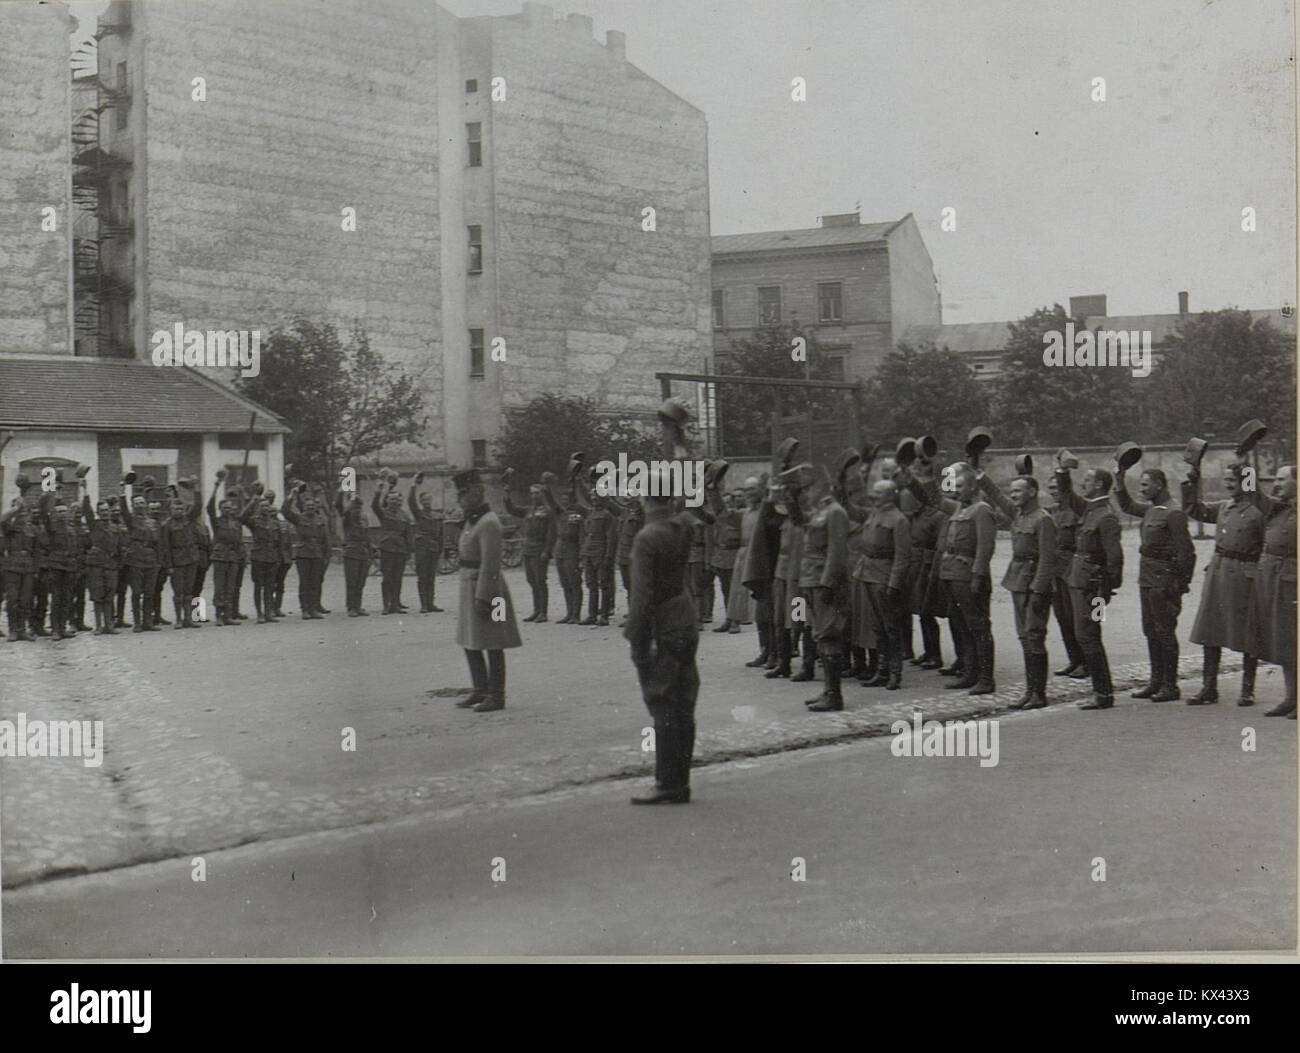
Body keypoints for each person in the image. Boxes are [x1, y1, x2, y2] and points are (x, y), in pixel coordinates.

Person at [625, 468, 700, 804]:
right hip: (685, 617)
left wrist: (636, 639)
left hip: (661, 625)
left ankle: (668, 784)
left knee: (661, 701)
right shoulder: (684, 526)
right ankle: (679, 781)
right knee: (684, 702)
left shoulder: (647, 537)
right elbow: (687, 511)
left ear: (643, 496)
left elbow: (640, 597)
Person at [1182, 461, 1264, 705]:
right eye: (1226, 480)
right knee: (1210, 630)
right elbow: (1194, 509)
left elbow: (1265, 547)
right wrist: (1193, 482)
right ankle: (1209, 688)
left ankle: (1247, 689)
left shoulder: (1258, 512)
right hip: (1218, 571)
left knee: (1248, 632)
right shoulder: (1223, 507)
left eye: (1233, 480)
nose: (1228, 485)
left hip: (1245, 574)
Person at [1115, 464, 1195, 701]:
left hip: (1164, 580)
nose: (1141, 489)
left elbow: (1186, 553)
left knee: (1165, 631)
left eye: (1145, 484)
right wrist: (1119, 480)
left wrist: (1178, 585)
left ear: (1159, 485)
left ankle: (1170, 686)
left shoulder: (1173, 513)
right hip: (1148, 578)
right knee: (1150, 630)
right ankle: (1156, 681)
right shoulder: (1152, 510)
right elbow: (1127, 505)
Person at [979, 470, 1057, 708]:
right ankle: (1030, 691)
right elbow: (997, 498)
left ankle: (1039, 694)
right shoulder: (1019, 515)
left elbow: (1047, 559)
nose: (1012, 495)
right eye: (1011, 491)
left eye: (1018, 491)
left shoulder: (1043, 519)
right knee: (1024, 637)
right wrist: (981, 475)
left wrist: (1038, 591)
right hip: (1018, 581)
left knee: (1034, 636)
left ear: (1032, 492)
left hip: (1034, 585)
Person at [451, 469, 521, 713]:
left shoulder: (489, 522)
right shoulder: (473, 519)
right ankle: (479, 688)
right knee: (471, 639)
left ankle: (496, 694)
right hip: (469, 584)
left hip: (488, 588)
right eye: (459, 493)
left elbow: (491, 563)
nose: (459, 498)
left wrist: (484, 596)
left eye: (464, 493)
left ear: (477, 492)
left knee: (493, 640)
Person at [1055, 464, 1124, 710]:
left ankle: (1103, 693)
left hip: (1094, 587)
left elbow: (1114, 557)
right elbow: (1067, 494)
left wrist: (1106, 590)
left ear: (1098, 485)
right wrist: (1062, 471)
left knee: (1089, 636)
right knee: (1086, 635)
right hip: (1081, 582)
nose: (1083, 483)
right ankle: (1101, 691)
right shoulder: (1090, 509)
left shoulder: (1105, 516)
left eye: (1087, 480)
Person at [785, 464, 850, 712]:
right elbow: (798, 520)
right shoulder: (819, 511)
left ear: (820, 486)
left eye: (807, 487)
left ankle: (834, 695)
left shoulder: (835, 512)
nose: (806, 493)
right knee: (819, 636)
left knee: (828, 635)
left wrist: (827, 582)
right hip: (810, 579)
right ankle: (828, 690)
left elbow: (837, 552)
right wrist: (790, 497)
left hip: (823, 582)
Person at [1249, 465, 1296, 718]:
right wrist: (1245, 465)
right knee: (1286, 641)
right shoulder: (1278, 507)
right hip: (1276, 579)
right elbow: (1252, 495)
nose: (1276, 484)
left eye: (1281, 479)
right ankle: (1291, 697)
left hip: (1293, 579)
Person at [1045, 472, 1087, 679]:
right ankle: (1074, 660)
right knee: (1062, 617)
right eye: (1051, 488)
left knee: (1077, 618)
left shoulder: (1077, 510)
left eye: (1057, 488)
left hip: (1073, 569)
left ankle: (1087, 662)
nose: (1054, 492)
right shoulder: (1050, 512)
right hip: (1056, 570)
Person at [505, 471, 557, 622]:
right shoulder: (528, 510)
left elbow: (551, 534)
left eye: (536, 493)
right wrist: (507, 495)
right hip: (528, 549)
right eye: (532, 493)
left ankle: (543, 612)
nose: (533, 496)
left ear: (542, 494)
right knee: (531, 580)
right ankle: (536, 610)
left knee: (540, 580)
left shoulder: (548, 512)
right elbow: (512, 510)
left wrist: (547, 551)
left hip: (539, 549)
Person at [119, 479, 163, 632]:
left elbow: (158, 543)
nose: (139, 505)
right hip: (136, 560)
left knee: (149, 592)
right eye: (136, 503)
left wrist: (158, 561)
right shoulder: (131, 520)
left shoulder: (153, 522)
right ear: (133, 506)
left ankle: (148, 622)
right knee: (137, 592)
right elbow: (123, 510)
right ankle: (137, 622)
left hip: (151, 560)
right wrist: (122, 491)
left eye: (141, 502)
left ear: (145, 505)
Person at [159, 480, 202, 629]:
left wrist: (195, 490)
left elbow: (198, 506)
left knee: (189, 590)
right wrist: (168, 566)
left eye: (181, 508)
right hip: (177, 561)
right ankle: (178, 619)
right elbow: (165, 547)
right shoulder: (167, 525)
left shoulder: (189, 520)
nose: (179, 510)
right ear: (170, 510)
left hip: (191, 559)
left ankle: (188, 619)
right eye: (175, 508)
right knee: (179, 592)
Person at [281, 483, 329, 619]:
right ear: (304, 507)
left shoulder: (320, 520)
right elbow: (284, 511)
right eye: (308, 506)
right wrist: (292, 496)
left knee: (315, 582)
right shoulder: (299, 518)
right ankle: (305, 610)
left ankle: (313, 608)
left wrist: (325, 556)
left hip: (317, 555)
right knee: (305, 583)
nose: (310, 507)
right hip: (303, 555)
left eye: (312, 506)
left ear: (315, 507)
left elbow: (324, 540)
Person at [1, 484, 39, 641]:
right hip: (12, 567)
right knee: (12, 599)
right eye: (21, 512)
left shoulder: (31, 529)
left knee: (26, 599)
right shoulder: (9, 527)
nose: (24, 514)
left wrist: (35, 569)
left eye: (25, 512)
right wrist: (15, 507)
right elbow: (2, 518)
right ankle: (13, 630)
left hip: (28, 567)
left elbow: (35, 550)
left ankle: (22, 629)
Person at [242, 484, 283, 623]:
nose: (265, 508)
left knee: (270, 586)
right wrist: (252, 502)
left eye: (267, 506)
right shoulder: (254, 522)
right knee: (258, 586)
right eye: (262, 506)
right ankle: (259, 613)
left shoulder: (275, 523)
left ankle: (268, 613)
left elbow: (279, 543)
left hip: (271, 557)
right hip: (258, 557)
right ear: (259, 508)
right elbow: (242, 517)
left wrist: (278, 558)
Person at [372, 474, 411, 615]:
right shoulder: (383, 513)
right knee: (387, 577)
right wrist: (378, 492)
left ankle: (395, 604)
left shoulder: (404, 515)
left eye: (396, 499)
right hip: (387, 547)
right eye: (391, 499)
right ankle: (386, 605)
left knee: (398, 577)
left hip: (400, 548)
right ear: (387, 500)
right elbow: (374, 506)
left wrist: (409, 551)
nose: (394, 501)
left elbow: (408, 534)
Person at [409, 473, 445, 613]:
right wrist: (414, 484)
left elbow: (441, 534)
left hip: (433, 549)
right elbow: (411, 501)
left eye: (429, 500)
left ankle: (431, 604)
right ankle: (423, 604)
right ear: (421, 502)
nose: (427, 502)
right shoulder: (419, 514)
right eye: (424, 500)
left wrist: (441, 550)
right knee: (422, 576)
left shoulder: (436, 516)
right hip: (422, 548)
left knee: (431, 577)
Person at [709, 490, 742, 633]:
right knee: (725, 589)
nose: (726, 506)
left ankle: (736, 621)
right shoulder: (717, 518)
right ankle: (729, 619)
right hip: (720, 556)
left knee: (735, 591)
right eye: (724, 503)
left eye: (729, 502)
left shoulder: (737, 516)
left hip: (733, 555)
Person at [336, 485, 371, 617]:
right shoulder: (348, 520)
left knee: (361, 582)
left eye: (359, 507)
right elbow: (339, 507)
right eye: (355, 507)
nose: (357, 510)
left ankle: (358, 606)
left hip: (363, 553)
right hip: (351, 553)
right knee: (352, 581)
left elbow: (367, 537)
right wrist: (341, 493)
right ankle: (351, 607)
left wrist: (369, 553)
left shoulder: (363, 520)